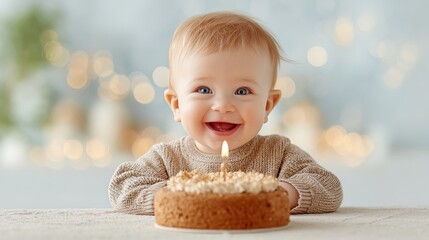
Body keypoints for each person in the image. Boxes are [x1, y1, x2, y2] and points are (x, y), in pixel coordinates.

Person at [109, 11, 342, 215]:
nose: (222, 105)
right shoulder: (167, 159)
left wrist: (278, 194)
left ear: (267, 106)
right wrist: (178, 197)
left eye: (242, 90)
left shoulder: (278, 154)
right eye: (204, 89)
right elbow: (122, 186)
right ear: (177, 104)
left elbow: (328, 186)